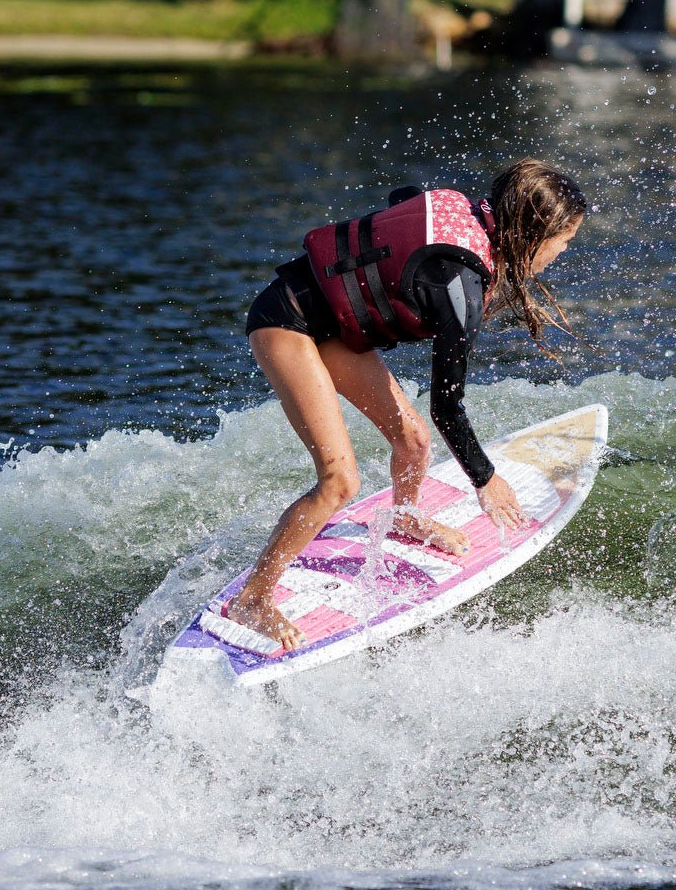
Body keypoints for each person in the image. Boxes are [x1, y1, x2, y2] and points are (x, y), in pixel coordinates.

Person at [231, 158, 586, 652]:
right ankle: (253, 599)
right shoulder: (460, 288)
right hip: (286, 321)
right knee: (340, 481)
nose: (563, 251)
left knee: (414, 442)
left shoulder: (469, 213)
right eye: (564, 239)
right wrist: (485, 479)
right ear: (533, 232)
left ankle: (404, 515)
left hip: (331, 323)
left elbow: (404, 201)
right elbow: (447, 405)